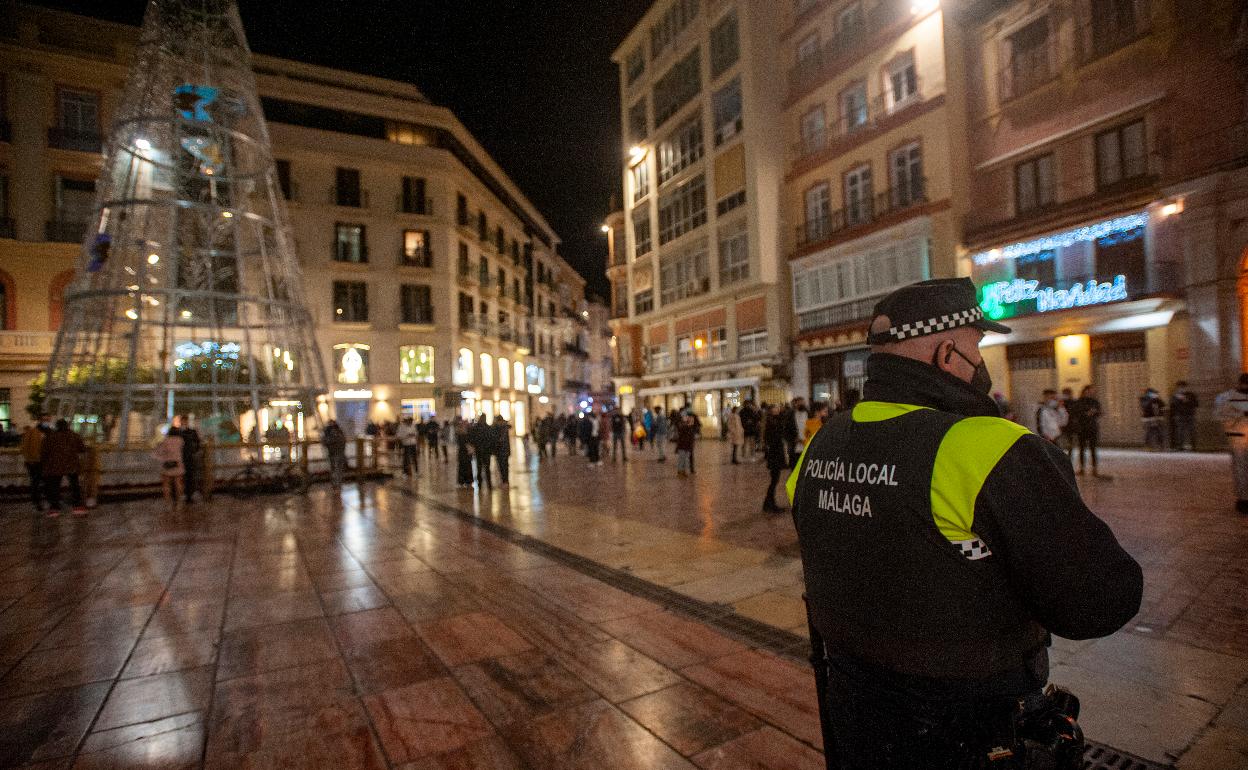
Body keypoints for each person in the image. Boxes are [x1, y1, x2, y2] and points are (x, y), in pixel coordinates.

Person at [788, 278, 1141, 769]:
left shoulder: (821, 447)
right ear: (947, 352)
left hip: (855, 720)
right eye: (977, 343)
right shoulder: (990, 448)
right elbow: (1099, 601)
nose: (981, 360)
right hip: (969, 734)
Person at [1214, 373, 1248, 514]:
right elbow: (1221, 416)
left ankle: (1244, 498)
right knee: (1240, 468)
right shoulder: (1228, 398)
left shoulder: (1228, 397)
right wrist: (1240, 416)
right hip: (1238, 438)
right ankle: (1244, 499)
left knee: (1241, 468)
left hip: (1238, 437)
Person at [41, 419, 87, 515]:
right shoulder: (74, 435)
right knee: (74, 485)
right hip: (72, 464)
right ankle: (77, 506)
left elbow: (44, 451)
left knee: (55, 486)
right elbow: (82, 449)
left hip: (55, 465)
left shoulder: (50, 437)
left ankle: (54, 507)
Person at [1070, 384, 1104, 477]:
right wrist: (1086, 414)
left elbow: (1100, 412)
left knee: (1093, 449)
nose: (1092, 392)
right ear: (1085, 391)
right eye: (1090, 390)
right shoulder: (1079, 402)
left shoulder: (1095, 401)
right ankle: (1082, 468)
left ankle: (1094, 468)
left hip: (1092, 427)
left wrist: (1095, 412)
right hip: (1082, 428)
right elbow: (1075, 413)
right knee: (1082, 448)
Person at [20, 417, 50, 511]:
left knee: (43, 481)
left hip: (43, 461)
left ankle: (42, 500)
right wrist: (29, 459)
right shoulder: (32, 432)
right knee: (36, 481)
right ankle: (37, 501)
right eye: (46, 420)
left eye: (48, 420)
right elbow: (24, 446)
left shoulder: (49, 432)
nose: (47, 422)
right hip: (35, 461)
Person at [152, 426, 185, 513]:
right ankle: (179, 503)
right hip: (178, 464)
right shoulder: (180, 441)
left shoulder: (165, 441)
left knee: (166, 485)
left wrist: (163, 458)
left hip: (167, 464)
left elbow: (156, 453)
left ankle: (168, 504)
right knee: (178, 483)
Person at [762, 404, 788, 512]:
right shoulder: (771, 423)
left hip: (776, 454)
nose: (778, 409)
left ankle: (768, 503)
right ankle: (769, 504)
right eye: (775, 408)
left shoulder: (775, 421)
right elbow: (775, 437)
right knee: (774, 480)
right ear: (771, 411)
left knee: (775, 480)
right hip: (774, 455)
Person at [174, 414, 202, 504]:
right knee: (182, 476)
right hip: (183, 456)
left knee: (188, 476)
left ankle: (187, 496)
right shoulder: (188, 432)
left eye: (185, 421)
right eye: (183, 421)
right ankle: (180, 495)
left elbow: (198, 443)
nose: (184, 422)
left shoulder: (179, 432)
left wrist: (194, 451)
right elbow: (197, 443)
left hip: (187, 457)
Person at [1169, 381, 1199, 451]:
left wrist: (1187, 400)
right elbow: (1172, 406)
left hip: (1190, 415)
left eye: (1183, 387)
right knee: (1180, 431)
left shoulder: (1191, 395)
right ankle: (1180, 446)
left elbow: (1196, 404)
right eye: (1179, 387)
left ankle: (1193, 446)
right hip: (1179, 416)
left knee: (1192, 431)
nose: (1181, 389)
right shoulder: (1174, 396)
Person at [322, 419, 348, 489]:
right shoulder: (339, 431)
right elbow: (343, 441)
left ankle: (336, 484)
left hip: (334, 453)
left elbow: (325, 442)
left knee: (335, 469)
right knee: (337, 469)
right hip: (338, 453)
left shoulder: (329, 432)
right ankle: (337, 484)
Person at [468, 415, 493, 488]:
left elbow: (471, 439)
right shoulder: (488, 428)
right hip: (486, 451)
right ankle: (489, 484)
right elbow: (491, 439)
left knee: (479, 467)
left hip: (478, 450)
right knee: (487, 468)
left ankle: (479, 484)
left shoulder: (475, 428)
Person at [674, 412, 696, 477]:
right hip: (682, 446)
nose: (691, 421)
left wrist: (692, 445)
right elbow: (681, 436)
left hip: (688, 446)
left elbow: (691, 438)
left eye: (692, 420)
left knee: (686, 459)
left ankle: (684, 471)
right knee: (681, 459)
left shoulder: (691, 428)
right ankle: (680, 471)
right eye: (690, 419)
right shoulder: (683, 427)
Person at [454, 418, 474, 487]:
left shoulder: (465, 434)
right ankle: (465, 481)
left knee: (465, 466)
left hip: (465, 453)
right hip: (464, 452)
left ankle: (465, 481)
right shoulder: (462, 435)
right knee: (465, 466)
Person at [492, 416, 512, 488]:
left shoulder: (499, 428)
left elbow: (498, 440)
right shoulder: (504, 428)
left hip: (501, 451)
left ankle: (505, 481)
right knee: (504, 466)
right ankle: (505, 481)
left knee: (503, 466)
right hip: (504, 450)